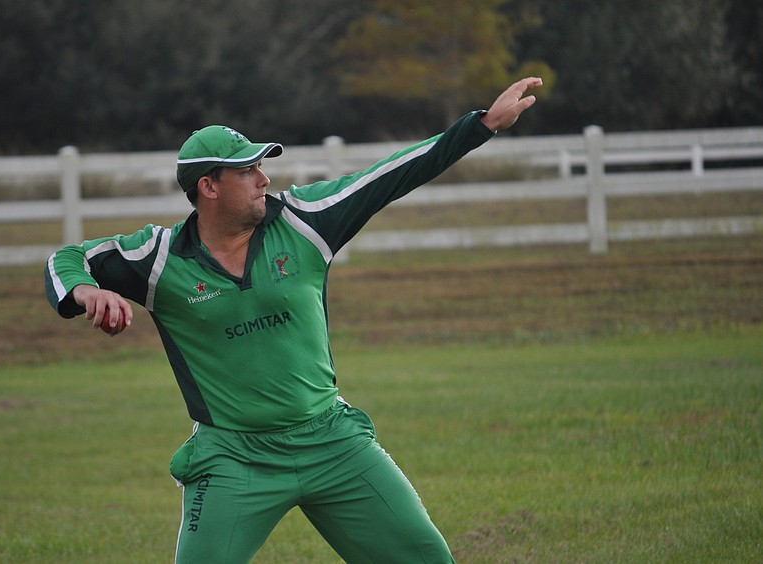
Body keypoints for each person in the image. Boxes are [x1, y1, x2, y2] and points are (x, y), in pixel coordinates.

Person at [44, 77, 542, 563]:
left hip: (334, 443)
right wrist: (87, 291)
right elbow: (66, 259)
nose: (264, 179)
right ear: (208, 187)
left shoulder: (306, 221)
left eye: (262, 167)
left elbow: (390, 174)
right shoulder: (158, 257)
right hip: (234, 459)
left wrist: (482, 125)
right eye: (247, 172)